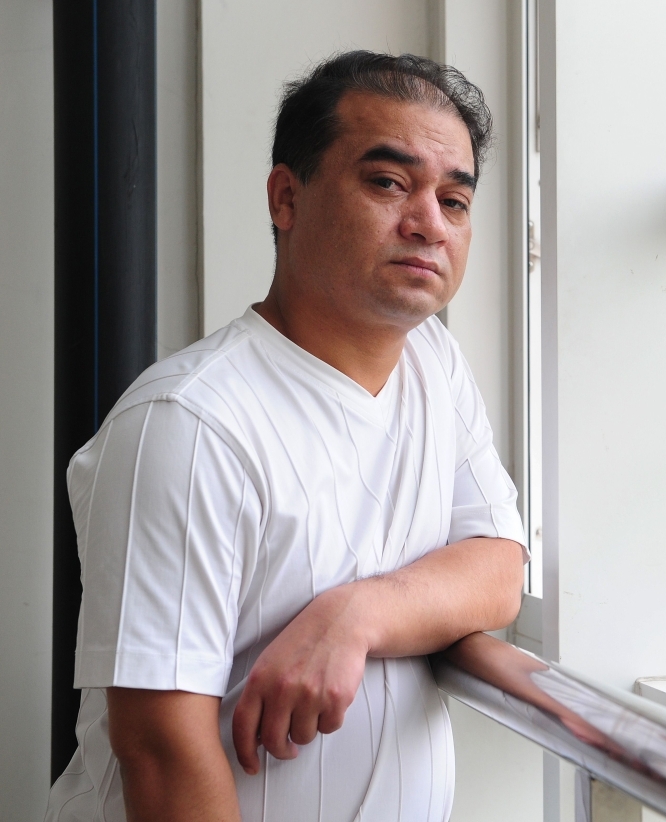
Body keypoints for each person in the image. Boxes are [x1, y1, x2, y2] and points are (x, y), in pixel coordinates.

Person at [45, 51, 527, 822]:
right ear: (285, 198)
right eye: (388, 182)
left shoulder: (433, 361)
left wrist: (357, 615)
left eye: (455, 199)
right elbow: (161, 753)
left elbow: (499, 568)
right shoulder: (190, 422)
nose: (429, 224)